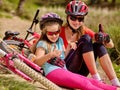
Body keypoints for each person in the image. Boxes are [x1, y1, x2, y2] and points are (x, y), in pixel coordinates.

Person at [33, 12, 120, 90]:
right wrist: (50, 55)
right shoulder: (43, 43)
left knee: (93, 82)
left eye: (57, 32)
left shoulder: (59, 40)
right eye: (51, 33)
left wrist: (69, 48)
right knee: (85, 83)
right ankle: (101, 81)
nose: (55, 35)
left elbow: (63, 57)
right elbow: (37, 61)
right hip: (53, 71)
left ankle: (116, 87)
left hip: (64, 69)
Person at [60, 0, 120, 87]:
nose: (77, 22)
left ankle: (116, 82)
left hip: (81, 72)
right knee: (85, 39)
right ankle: (97, 79)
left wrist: (105, 38)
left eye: (80, 19)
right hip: (66, 69)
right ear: (67, 17)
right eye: (73, 18)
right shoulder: (59, 31)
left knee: (98, 44)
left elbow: (111, 45)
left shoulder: (84, 30)